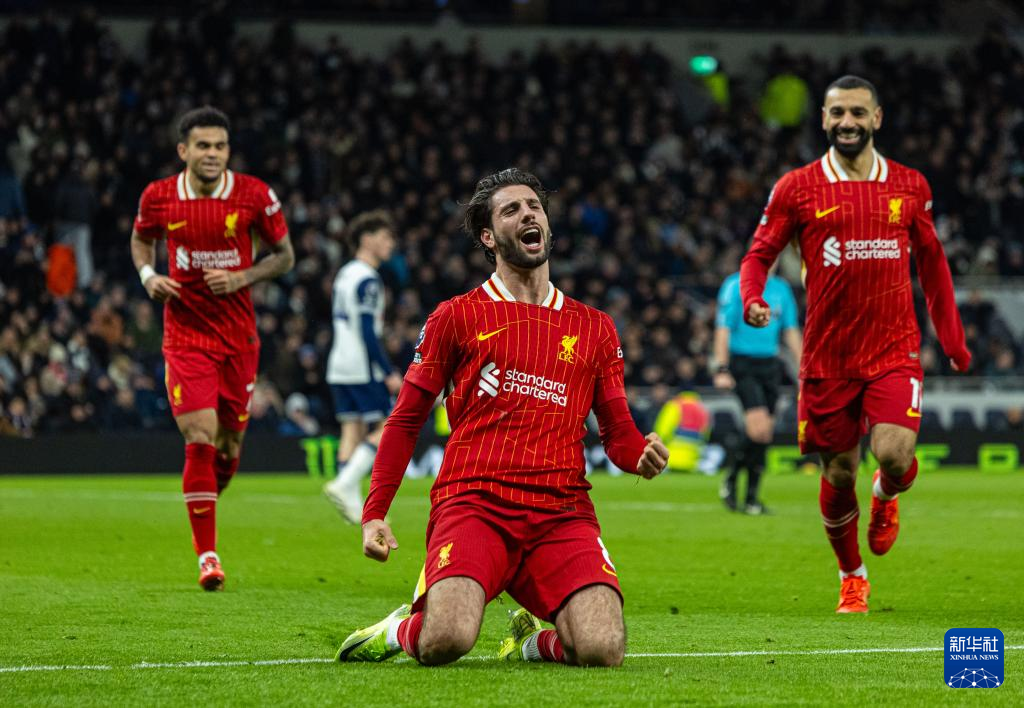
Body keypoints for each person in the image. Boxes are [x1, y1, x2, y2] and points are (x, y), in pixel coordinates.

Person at [335, 168, 669, 667]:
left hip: (561, 511)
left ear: (547, 224)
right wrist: (375, 512)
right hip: (475, 502)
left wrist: (640, 454)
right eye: (511, 210)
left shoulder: (594, 327)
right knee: (447, 639)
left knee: (603, 648)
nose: (528, 214)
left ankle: (530, 644)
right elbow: (405, 420)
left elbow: (618, 432)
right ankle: (398, 630)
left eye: (534, 206)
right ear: (489, 237)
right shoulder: (456, 316)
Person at [739, 76, 970, 613]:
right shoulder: (797, 187)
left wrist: (952, 338)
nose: (848, 122)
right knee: (839, 473)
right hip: (828, 356)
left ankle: (886, 492)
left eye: (858, 113)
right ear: (824, 118)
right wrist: (752, 297)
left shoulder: (910, 185)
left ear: (876, 118)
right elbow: (758, 255)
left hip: (893, 348)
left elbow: (933, 264)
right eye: (838, 112)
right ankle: (852, 575)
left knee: (894, 454)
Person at [130, 106, 294, 591]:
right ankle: (208, 556)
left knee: (228, 447)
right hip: (185, 336)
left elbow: (285, 257)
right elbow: (140, 241)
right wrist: (149, 275)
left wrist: (242, 277)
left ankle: (203, 497)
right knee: (199, 436)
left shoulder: (254, 195)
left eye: (220, 146)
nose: (212, 154)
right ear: (184, 150)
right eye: (203, 145)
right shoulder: (158, 196)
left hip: (238, 338)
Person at [323, 210, 402, 524]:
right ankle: (345, 483)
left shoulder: (345, 273)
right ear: (367, 239)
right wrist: (387, 371)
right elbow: (367, 330)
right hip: (360, 365)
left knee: (351, 430)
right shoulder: (368, 279)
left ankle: (350, 504)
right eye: (385, 238)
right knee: (388, 426)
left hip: (338, 363)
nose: (390, 244)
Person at [713, 268, 802, 515]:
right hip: (743, 363)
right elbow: (722, 328)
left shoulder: (781, 288)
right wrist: (721, 368)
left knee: (765, 433)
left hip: (770, 364)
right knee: (758, 427)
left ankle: (749, 496)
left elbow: (791, 330)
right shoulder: (735, 285)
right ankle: (733, 481)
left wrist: (803, 368)